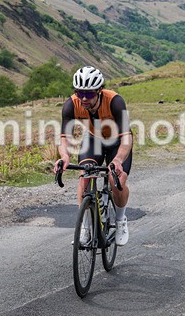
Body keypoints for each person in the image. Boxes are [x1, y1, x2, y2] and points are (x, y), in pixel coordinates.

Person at [54, 66, 133, 245]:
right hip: (94, 139)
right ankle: (86, 226)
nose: (83, 98)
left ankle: (120, 221)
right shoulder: (71, 105)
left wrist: (118, 160)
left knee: (116, 182)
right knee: (85, 177)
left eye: (89, 94)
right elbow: (64, 139)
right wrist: (64, 157)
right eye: (79, 92)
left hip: (118, 142)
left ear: (99, 91)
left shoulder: (115, 101)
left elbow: (126, 138)